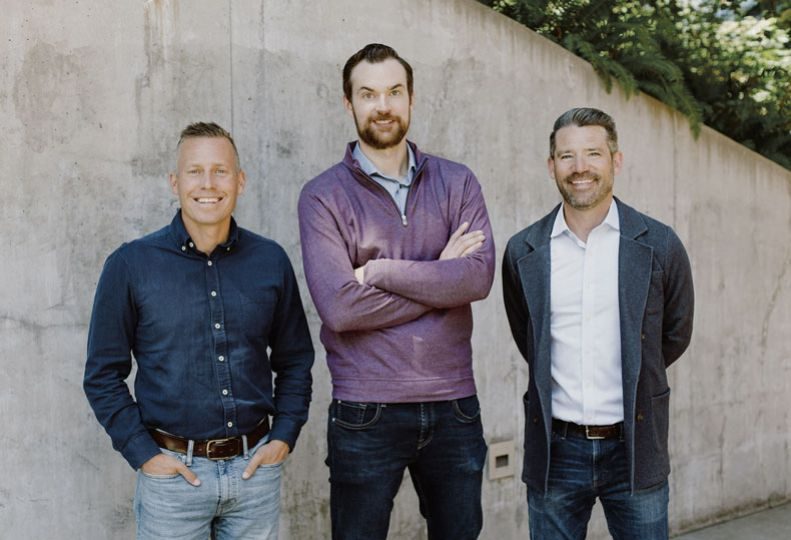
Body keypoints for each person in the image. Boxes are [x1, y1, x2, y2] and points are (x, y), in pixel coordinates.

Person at [298, 43, 495, 540]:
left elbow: (476, 278)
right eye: (368, 94)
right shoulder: (322, 196)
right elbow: (341, 309)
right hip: (365, 409)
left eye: (394, 92)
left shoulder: (458, 182)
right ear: (348, 103)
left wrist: (378, 271)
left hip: (454, 403)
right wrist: (441, 273)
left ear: (411, 98)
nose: (382, 105)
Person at [84, 122, 314, 539]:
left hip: (254, 476)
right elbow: (102, 375)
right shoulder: (131, 265)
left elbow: (295, 359)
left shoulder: (270, 261)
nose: (208, 183)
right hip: (172, 480)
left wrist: (283, 436)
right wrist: (143, 454)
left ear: (240, 181)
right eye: (195, 171)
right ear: (175, 182)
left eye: (220, 171)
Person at [502, 107, 694, 539]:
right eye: (566, 156)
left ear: (615, 161)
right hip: (556, 451)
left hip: (635, 445)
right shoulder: (523, 251)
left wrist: (636, 368)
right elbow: (528, 337)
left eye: (593, 153)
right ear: (551, 165)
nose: (580, 167)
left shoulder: (659, 245)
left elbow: (675, 334)